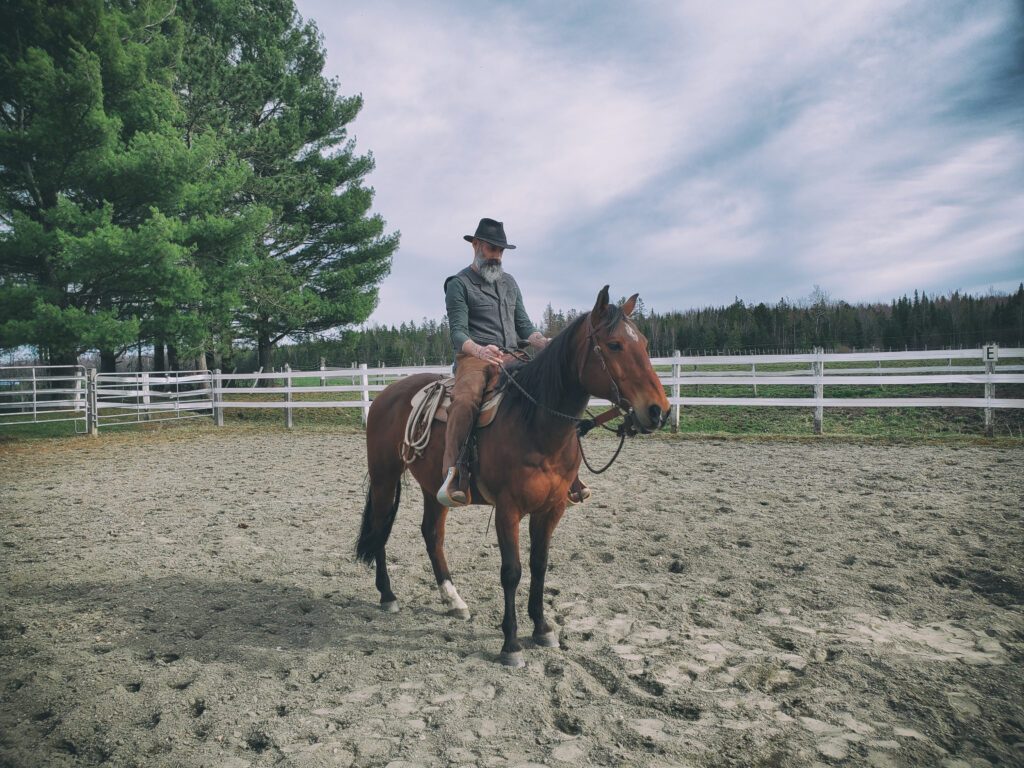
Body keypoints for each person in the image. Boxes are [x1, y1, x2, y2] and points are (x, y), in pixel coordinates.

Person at [437, 217, 590, 508]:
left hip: (514, 356)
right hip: (475, 359)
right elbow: (457, 332)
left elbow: (523, 325)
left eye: (501, 251)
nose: (497, 256)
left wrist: (541, 341)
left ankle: (567, 472)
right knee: (466, 400)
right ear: (477, 246)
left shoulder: (509, 283)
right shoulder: (458, 284)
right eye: (492, 249)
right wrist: (479, 351)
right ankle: (454, 472)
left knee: (555, 390)